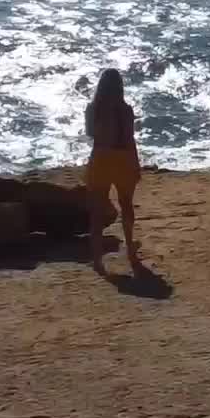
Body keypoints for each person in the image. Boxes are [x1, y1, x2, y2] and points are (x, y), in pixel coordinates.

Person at [83, 67, 141, 270]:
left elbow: (90, 133)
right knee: (126, 204)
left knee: (97, 209)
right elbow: (128, 138)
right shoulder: (125, 110)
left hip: (101, 156)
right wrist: (135, 164)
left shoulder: (92, 109)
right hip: (123, 157)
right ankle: (131, 247)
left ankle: (97, 257)